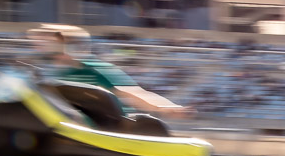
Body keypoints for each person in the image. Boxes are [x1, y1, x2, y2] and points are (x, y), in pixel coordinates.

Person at [27, 24, 185, 116]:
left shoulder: (92, 69)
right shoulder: (49, 71)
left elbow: (131, 93)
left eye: (46, 40)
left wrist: (164, 109)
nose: (39, 46)